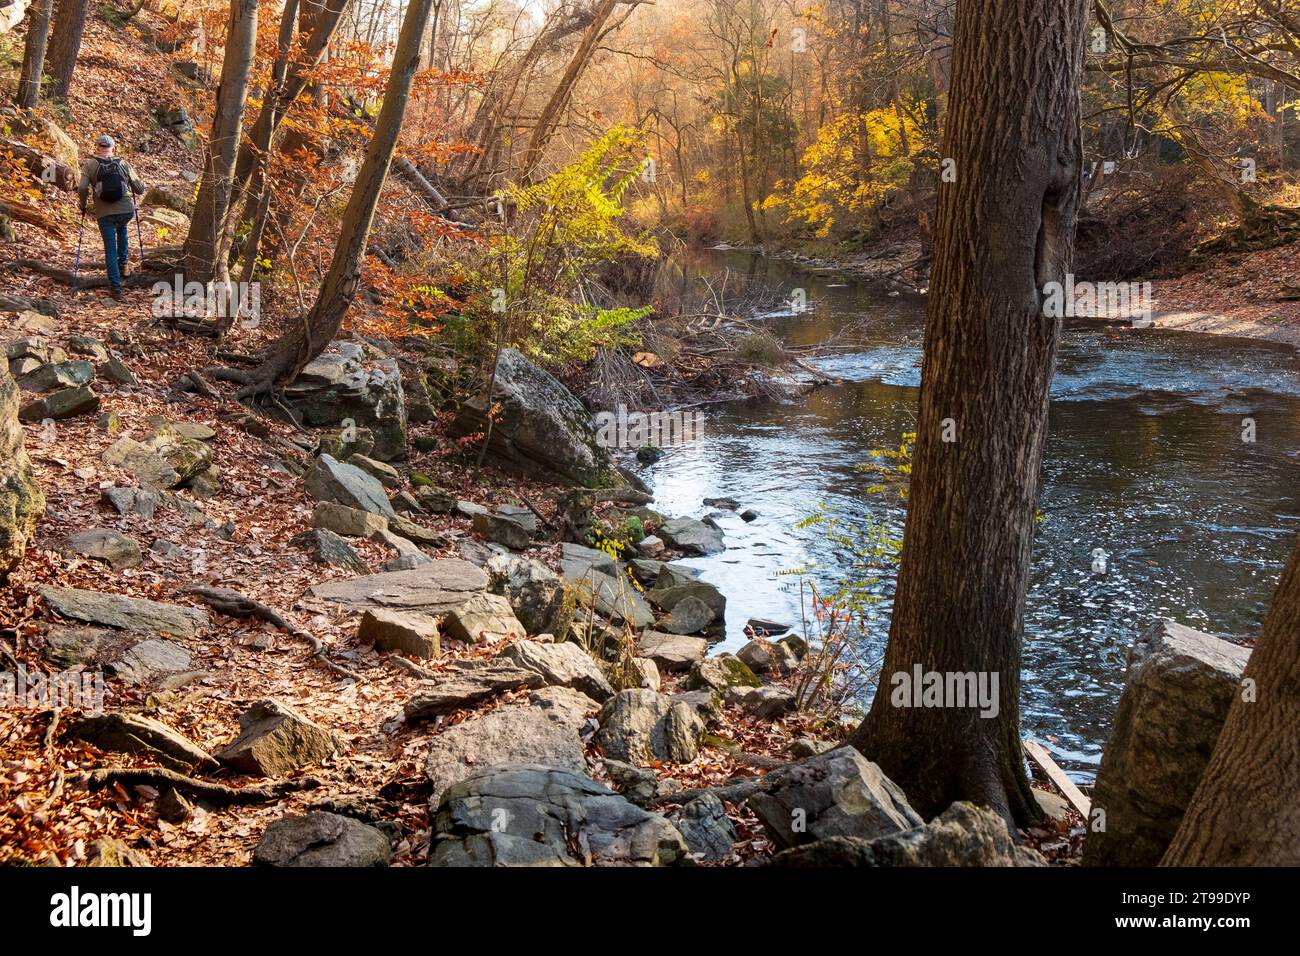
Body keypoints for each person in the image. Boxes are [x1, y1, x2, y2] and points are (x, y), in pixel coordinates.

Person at [78, 134, 145, 300]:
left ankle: (116, 289)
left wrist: (83, 204)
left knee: (110, 249)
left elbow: (82, 187)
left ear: (97, 148)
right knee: (121, 229)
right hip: (126, 210)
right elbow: (139, 189)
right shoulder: (123, 163)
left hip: (104, 213)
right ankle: (124, 264)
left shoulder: (89, 164)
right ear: (113, 149)